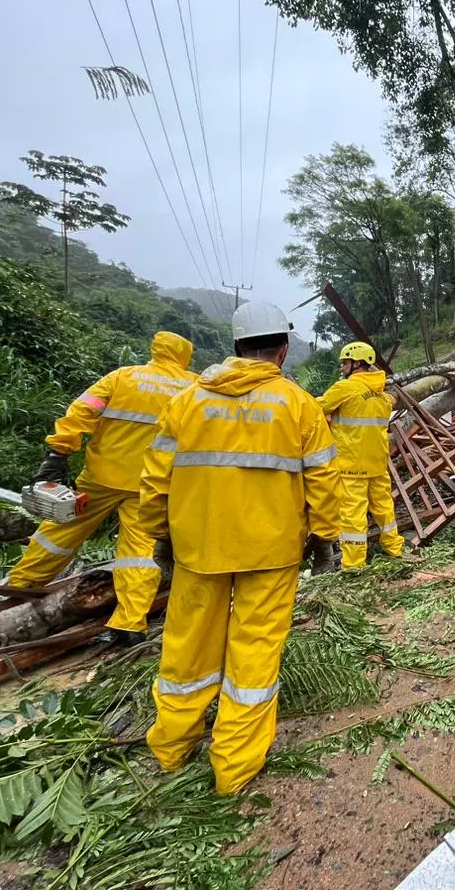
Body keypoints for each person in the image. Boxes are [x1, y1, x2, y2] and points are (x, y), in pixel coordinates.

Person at [140, 301, 341, 794]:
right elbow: (324, 481)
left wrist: (159, 536)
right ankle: (233, 769)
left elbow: (154, 478)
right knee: (254, 654)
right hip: (271, 555)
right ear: (283, 349)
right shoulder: (298, 405)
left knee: (186, 651)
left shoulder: (188, 401)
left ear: (235, 347)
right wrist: (324, 538)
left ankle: (170, 748)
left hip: (198, 548)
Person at [9, 331, 197, 644]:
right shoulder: (192, 388)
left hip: (101, 478)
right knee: (139, 554)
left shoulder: (122, 378)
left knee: (58, 533)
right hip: (150, 484)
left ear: (155, 350)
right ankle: (129, 623)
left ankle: (19, 587)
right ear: (185, 356)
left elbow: (81, 412)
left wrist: (58, 452)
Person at [317, 341, 406, 571]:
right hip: (377, 462)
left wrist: (328, 415)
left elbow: (317, 408)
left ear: (357, 363)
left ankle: (354, 566)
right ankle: (395, 549)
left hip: (351, 465)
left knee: (353, 516)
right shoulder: (381, 393)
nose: (342, 367)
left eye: (345, 362)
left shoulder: (344, 388)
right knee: (385, 509)